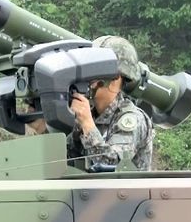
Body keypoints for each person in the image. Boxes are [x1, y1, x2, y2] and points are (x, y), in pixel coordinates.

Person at [66, 35, 154, 171]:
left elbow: (113, 165)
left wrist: (87, 125)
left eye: (95, 70)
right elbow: (68, 160)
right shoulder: (91, 115)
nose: (88, 76)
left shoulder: (132, 119)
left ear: (116, 77)